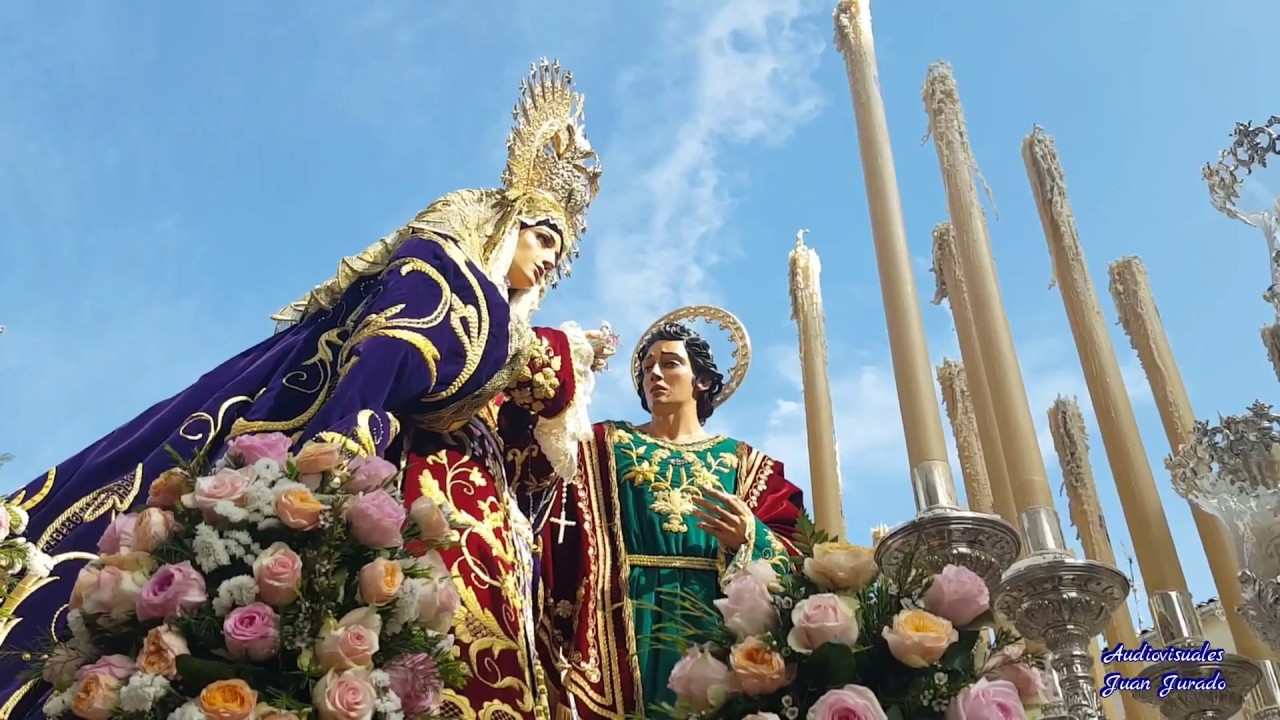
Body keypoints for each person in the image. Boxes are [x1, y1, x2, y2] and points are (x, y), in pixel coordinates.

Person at [0, 59, 604, 720]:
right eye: (542, 237)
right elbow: (400, 350)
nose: (549, 259)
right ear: (503, 223)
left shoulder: (504, 343)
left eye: (559, 256)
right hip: (389, 478)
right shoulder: (443, 273)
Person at [532, 307, 806, 719]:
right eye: (647, 368)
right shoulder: (604, 444)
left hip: (711, 618)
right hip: (622, 620)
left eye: (670, 363)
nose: (654, 375)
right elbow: (545, 477)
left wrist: (750, 536)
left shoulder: (747, 464)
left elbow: (796, 555)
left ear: (703, 380)